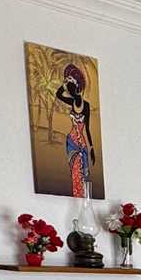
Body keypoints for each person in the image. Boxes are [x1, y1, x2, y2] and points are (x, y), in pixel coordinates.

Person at [54, 62, 96, 198]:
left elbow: (87, 128)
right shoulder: (71, 102)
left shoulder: (86, 106)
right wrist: (65, 83)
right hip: (71, 142)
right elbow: (58, 94)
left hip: (82, 143)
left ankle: (82, 196)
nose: (70, 90)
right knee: (75, 171)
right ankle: (76, 195)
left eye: (72, 86)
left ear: (77, 87)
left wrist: (92, 148)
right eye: (69, 87)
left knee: (82, 172)